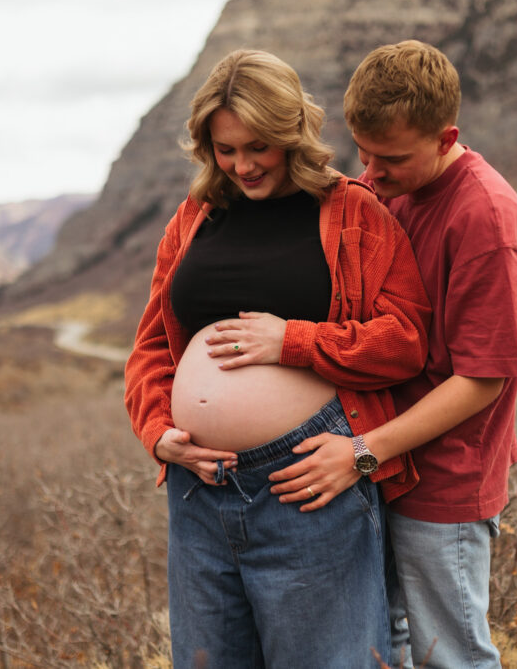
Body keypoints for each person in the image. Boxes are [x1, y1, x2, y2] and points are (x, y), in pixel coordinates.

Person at [123, 49, 431, 668]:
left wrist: (292, 340)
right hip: (199, 493)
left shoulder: (352, 213)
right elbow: (153, 345)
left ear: (291, 133)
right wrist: (160, 434)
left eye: (257, 146)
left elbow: (405, 340)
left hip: (309, 484)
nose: (242, 164)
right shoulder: (193, 220)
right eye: (225, 149)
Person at [269, 40, 517, 668]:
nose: (371, 172)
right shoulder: (381, 189)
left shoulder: (489, 222)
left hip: (441, 481)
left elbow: (481, 381)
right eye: (362, 152)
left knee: (452, 656)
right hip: (378, 469)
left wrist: (361, 454)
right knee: (381, 648)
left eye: (391, 159)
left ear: (447, 137)